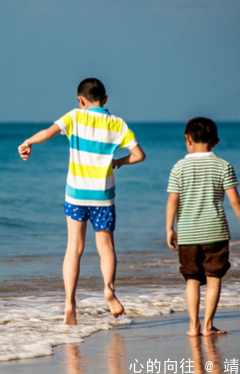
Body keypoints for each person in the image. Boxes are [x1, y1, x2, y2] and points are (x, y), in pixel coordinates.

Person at [18, 78, 146, 325]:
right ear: (105, 100)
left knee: (74, 249)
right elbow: (139, 155)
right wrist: (119, 161)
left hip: (76, 195)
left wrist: (28, 143)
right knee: (106, 247)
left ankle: (69, 304)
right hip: (103, 196)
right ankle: (108, 289)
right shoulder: (117, 124)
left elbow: (46, 133)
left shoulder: (75, 117)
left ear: (80, 100)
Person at [166, 117, 240, 336]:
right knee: (214, 279)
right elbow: (235, 200)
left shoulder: (179, 167)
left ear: (187, 139)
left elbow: (173, 201)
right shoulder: (223, 166)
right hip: (216, 233)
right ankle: (207, 326)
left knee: (192, 280)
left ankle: (192, 325)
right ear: (216, 142)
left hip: (188, 235)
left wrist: (169, 228)